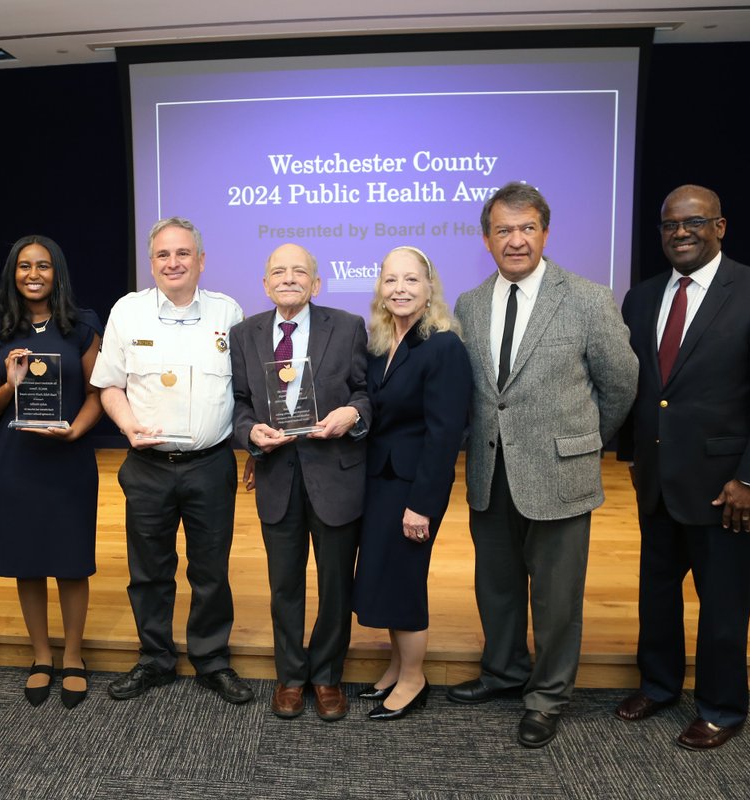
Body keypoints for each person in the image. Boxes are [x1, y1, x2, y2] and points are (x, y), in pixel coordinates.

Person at [614, 185, 750, 750]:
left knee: (723, 604)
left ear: (721, 226)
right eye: (670, 224)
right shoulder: (642, 298)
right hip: (658, 481)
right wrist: (632, 455)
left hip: (728, 488)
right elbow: (641, 387)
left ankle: (721, 706)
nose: (681, 233)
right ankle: (660, 684)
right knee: (657, 593)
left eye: (694, 222)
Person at [451, 182, 637, 747]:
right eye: (503, 230)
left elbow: (621, 383)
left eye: (526, 228)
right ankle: (503, 672)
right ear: (487, 239)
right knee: (497, 587)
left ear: (545, 234)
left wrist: (583, 441)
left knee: (557, 599)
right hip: (491, 472)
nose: (515, 240)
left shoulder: (586, 299)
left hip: (561, 474)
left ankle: (547, 696)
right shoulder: (470, 303)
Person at [90, 217, 253, 705]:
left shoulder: (229, 313)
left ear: (201, 261)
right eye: (163, 255)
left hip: (210, 463)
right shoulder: (127, 311)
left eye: (183, 253)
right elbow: (109, 385)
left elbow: (244, 390)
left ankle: (211, 659)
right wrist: (126, 425)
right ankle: (154, 658)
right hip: (147, 467)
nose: (173, 262)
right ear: (151, 261)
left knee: (210, 570)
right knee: (149, 570)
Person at [229, 243, 370, 721]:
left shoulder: (347, 327)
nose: (288, 278)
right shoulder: (244, 334)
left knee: (335, 585)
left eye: (299, 271)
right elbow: (241, 402)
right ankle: (290, 675)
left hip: (335, 474)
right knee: (284, 584)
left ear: (317, 283)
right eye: (278, 272)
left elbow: (365, 392)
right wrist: (249, 432)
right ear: (264, 283)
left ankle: (327, 675)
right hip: (277, 476)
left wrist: (351, 414)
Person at [0, 235, 104, 709]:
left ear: (57, 273)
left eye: (44, 266)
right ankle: (41, 655)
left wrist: (74, 433)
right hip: (17, 462)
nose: (33, 274)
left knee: (71, 562)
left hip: (68, 458)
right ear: (13, 273)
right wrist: (12, 384)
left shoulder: (82, 326)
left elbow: (98, 394)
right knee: (27, 562)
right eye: (25, 266)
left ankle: (73, 655)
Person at [352, 246, 472, 721]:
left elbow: (445, 435)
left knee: (403, 582)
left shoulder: (443, 346)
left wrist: (421, 504)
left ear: (429, 288)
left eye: (411, 281)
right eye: (390, 280)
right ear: (380, 289)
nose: (400, 289)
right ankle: (396, 666)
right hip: (381, 482)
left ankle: (414, 678)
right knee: (383, 576)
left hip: (413, 488)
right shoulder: (383, 342)